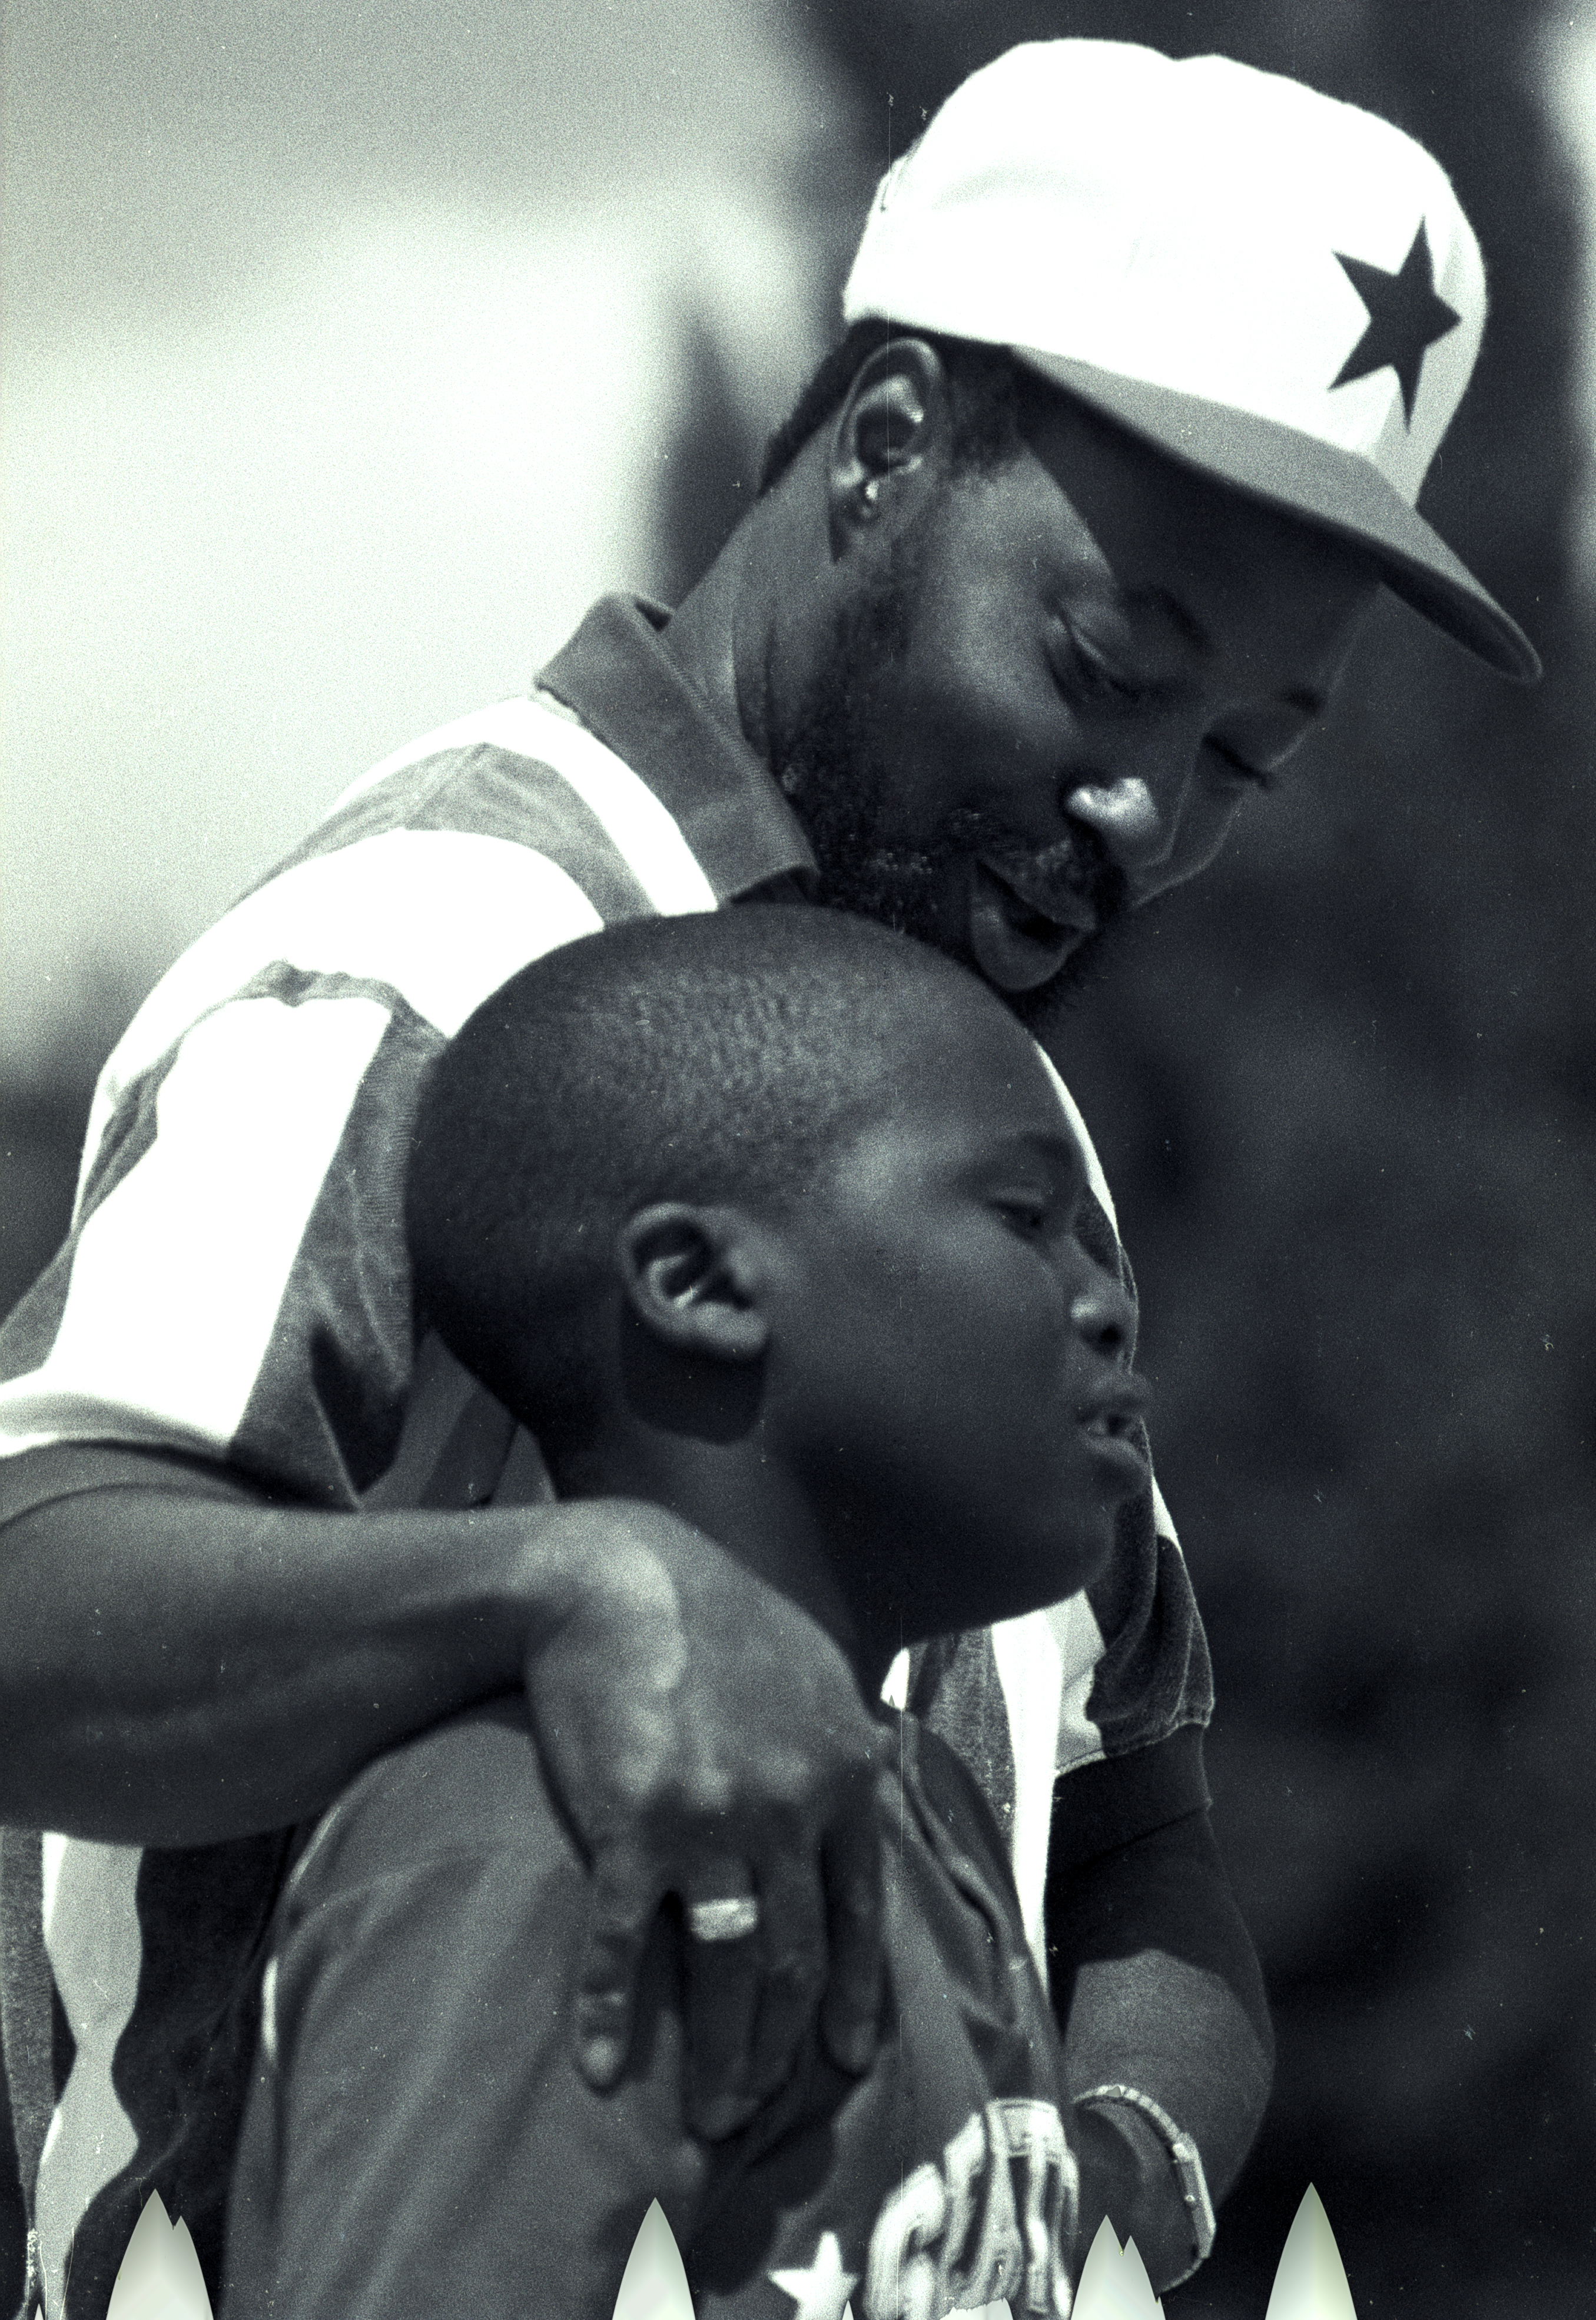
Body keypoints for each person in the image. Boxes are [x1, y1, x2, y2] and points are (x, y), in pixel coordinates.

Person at [0, 37, 1537, 2320]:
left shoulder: (972, 1104)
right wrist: (559, 1592)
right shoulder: (429, 946)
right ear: (891, 445)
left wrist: (1103, 2172)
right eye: (1109, 666)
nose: (1150, 814)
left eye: (1243, 759)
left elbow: (1135, 1829)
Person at [223, 904, 1160, 2320]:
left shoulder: (929, 1807)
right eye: (1030, 1221)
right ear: (698, 1284)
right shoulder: (540, 1838)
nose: (1110, 1305)